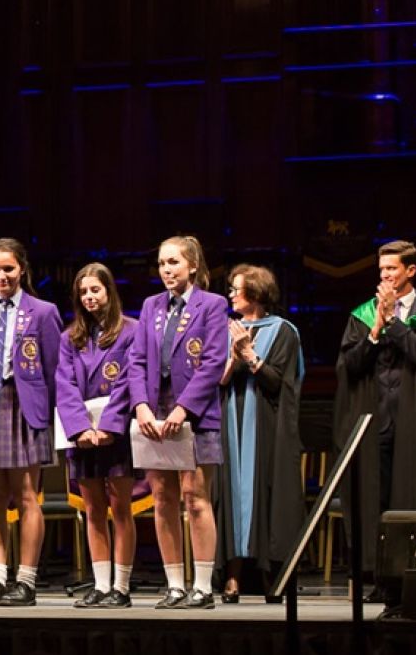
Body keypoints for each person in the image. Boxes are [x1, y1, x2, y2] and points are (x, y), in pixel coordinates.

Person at [101, 236, 228, 609]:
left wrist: (183, 409)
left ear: (192, 265)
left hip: (195, 412)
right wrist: (140, 406)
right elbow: (136, 361)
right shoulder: (151, 306)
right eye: (161, 263)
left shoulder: (212, 305)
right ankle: (175, 585)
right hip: (155, 411)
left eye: (173, 262)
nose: (166, 270)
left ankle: (202, 587)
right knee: (163, 497)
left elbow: (214, 362)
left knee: (195, 496)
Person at [333, 240, 416, 599]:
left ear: (410, 271)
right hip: (374, 423)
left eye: (392, 269)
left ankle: (412, 578)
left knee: (410, 498)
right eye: (381, 269)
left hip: (414, 425)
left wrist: (395, 323)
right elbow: (350, 367)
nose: (385, 275)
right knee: (376, 501)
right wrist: (375, 330)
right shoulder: (363, 315)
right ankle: (380, 578)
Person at [0, 237, 62, 607]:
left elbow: (53, 369)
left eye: (8, 269)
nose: (1, 276)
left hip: (24, 404)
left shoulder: (43, 311)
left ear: (22, 269)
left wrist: (47, 416)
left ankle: (27, 580)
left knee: (26, 496)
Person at [215, 264, 304, 602]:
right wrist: (233, 358)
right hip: (230, 422)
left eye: (237, 289)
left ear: (255, 292)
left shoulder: (283, 331)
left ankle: (271, 574)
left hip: (266, 426)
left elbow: (279, 382)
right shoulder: (223, 329)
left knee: (262, 493)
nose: (231, 295)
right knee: (232, 495)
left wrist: (250, 355)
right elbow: (216, 381)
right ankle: (233, 576)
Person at [55, 262, 138, 608]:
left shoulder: (131, 331)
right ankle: (101, 584)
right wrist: (80, 430)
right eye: (83, 292)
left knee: (120, 507)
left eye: (95, 290)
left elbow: (130, 381)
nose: (89, 297)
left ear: (109, 292)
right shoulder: (70, 338)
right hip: (83, 435)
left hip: (115, 433)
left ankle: (121, 586)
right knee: (92, 509)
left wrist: (108, 428)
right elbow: (64, 384)